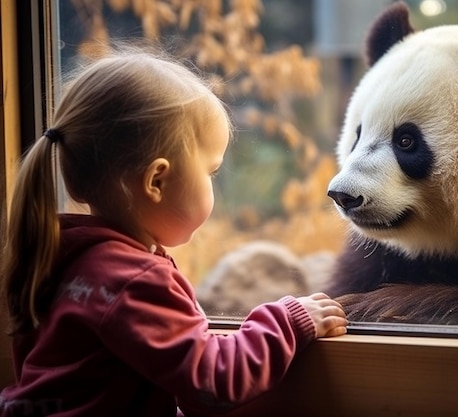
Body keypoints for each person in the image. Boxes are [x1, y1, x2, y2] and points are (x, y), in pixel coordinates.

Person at [0, 49, 347, 417]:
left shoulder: (56, 257)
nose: (214, 183)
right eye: (210, 171)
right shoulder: (134, 281)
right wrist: (288, 320)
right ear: (157, 181)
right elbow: (213, 382)